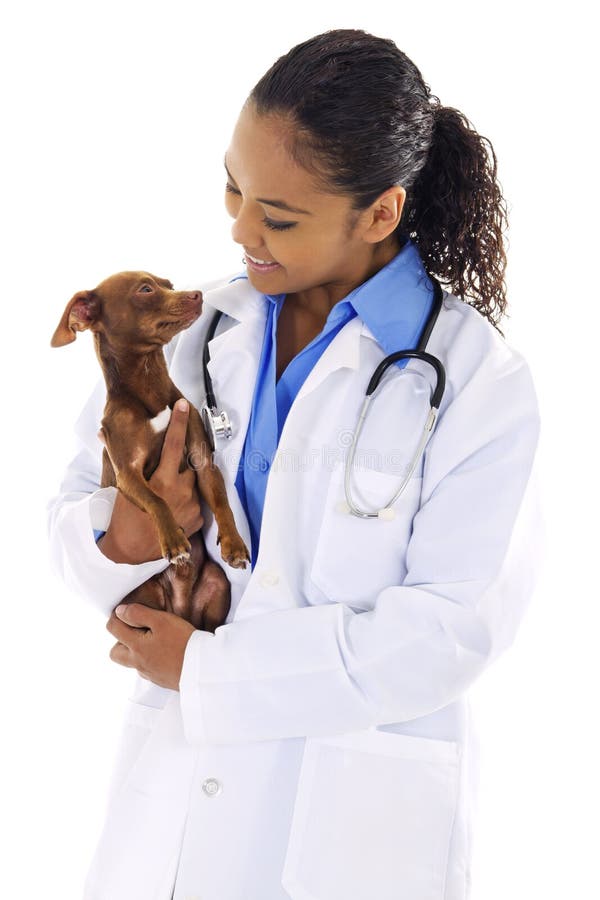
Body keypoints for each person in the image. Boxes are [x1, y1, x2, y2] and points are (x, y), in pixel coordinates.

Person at [47, 28, 542, 900]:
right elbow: (68, 512)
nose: (240, 229)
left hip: (353, 826)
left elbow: (450, 630)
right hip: (177, 805)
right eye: (233, 189)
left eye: (277, 216)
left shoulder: (476, 382)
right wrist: (121, 535)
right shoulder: (195, 329)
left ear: (380, 213)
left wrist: (210, 674)